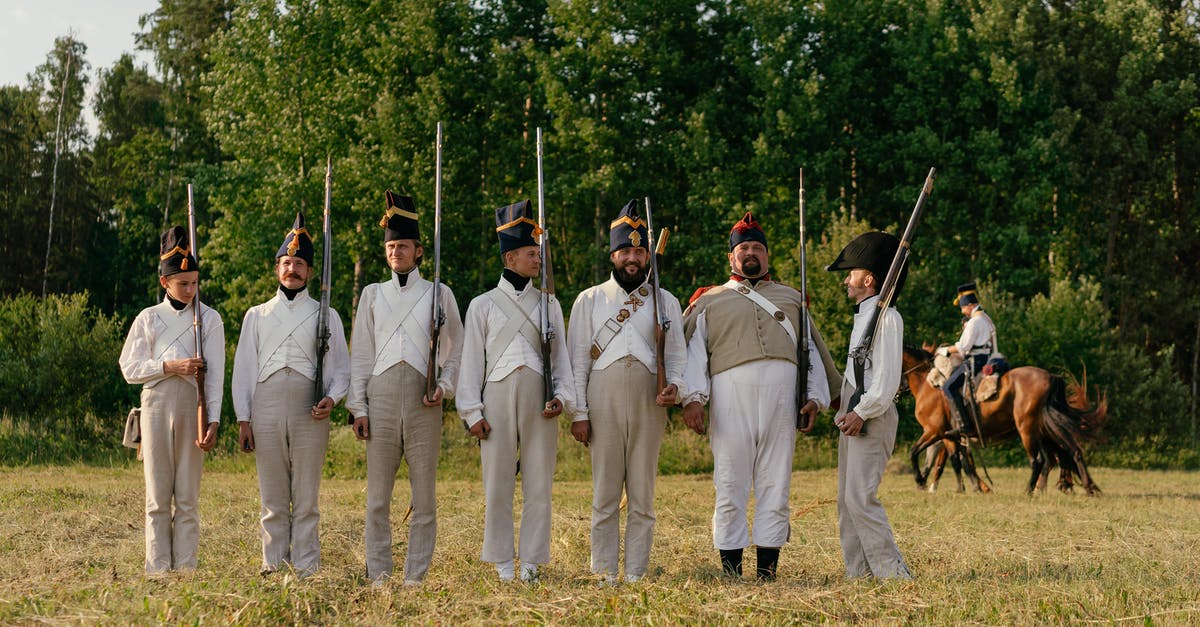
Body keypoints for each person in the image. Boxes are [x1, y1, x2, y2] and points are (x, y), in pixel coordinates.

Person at [681, 212, 833, 581]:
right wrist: (694, 398)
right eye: (743, 248)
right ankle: (732, 572)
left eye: (757, 248)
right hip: (731, 398)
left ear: (767, 256)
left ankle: (767, 572)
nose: (751, 253)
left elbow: (810, 352)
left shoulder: (792, 298)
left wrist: (813, 397)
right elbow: (694, 353)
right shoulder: (710, 300)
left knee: (775, 483)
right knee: (731, 482)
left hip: (782, 399)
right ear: (731, 257)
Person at [346, 191, 464, 586]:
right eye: (392, 246)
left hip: (422, 398)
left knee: (424, 496)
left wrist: (444, 386)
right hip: (379, 397)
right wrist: (358, 406)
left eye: (404, 246)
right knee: (377, 498)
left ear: (418, 251)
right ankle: (379, 573)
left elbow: (456, 347)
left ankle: (416, 576)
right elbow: (361, 353)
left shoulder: (439, 293)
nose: (397, 251)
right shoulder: (372, 295)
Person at [566, 199, 687, 585]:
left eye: (639, 250)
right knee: (604, 493)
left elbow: (679, 358)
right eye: (625, 251)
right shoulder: (589, 299)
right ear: (613, 254)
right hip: (603, 397)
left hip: (650, 397)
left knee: (643, 494)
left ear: (647, 254)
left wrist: (676, 388)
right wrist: (579, 413)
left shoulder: (665, 300)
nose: (632, 258)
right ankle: (603, 571)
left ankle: (636, 571)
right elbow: (577, 363)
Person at [456, 199, 576, 583]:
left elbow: (561, 362)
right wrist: (471, 413)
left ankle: (531, 563)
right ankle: (503, 561)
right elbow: (472, 363)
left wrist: (564, 398)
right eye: (529, 253)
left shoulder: (550, 304)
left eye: (537, 252)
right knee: (498, 483)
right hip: (497, 396)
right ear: (510, 259)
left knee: (539, 482)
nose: (537, 259)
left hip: (541, 398)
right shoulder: (481, 305)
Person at [231, 212, 350, 578]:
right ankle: (273, 563)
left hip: (308, 406)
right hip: (265, 405)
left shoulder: (326, 315)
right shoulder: (257, 315)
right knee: (272, 496)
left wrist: (333, 397)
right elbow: (245, 368)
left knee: (306, 496)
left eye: (299, 263)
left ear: (310, 272)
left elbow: (341, 368)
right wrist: (244, 417)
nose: (292, 269)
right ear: (277, 268)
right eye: (286, 262)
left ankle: (306, 566)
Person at [119, 226, 224, 574]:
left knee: (188, 496)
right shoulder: (148, 318)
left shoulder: (209, 319)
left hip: (192, 406)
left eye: (194, 283)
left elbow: (217, 376)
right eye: (183, 283)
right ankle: (158, 569)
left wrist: (213, 420)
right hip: (156, 406)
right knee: (158, 495)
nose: (191, 290)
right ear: (165, 283)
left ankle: (186, 568)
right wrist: (169, 365)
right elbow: (130, 367)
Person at [825, 230, 912, 580]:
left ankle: (892, 573)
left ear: (870, 279)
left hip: (871, 412)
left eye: (851, 273)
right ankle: (858, 572)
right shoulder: (864, 314)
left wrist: (860, 413)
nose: (846, 279)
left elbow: (886, 382)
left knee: (860, 498)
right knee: (847, 501)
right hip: (856, 406)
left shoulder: (887, 318)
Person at [938, 282, 996, 435]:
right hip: (987, 358)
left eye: (963, 308)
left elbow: (962, 347)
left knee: (948, 386)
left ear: (970, 305)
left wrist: (943, 350)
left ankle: (964, 425)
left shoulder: (974, 322)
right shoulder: (986, 318)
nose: (963, 311)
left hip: (975, 361)